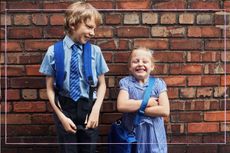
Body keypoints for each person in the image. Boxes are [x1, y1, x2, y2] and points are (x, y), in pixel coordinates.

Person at [39, 2, 109, 153]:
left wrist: (96, 110)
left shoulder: (95, 51)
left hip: (89, 108)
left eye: (94, 29)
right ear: (73, 24)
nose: (93, 33)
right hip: (64, 108)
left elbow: (102, 84)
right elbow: (50, 88)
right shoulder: (53, 52)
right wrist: (61, 117)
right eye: (89, 27)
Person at [117, 47, 170, 153]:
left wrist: (133, 106)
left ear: (152, 66)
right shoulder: (126, 83)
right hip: (133, 134)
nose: (140, 64)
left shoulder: (158, 84)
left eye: (145, 61)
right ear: (130, 67)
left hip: (155, 136)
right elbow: (121, 106)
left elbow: (164, 110)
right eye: (136, 61)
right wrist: (147, 103)